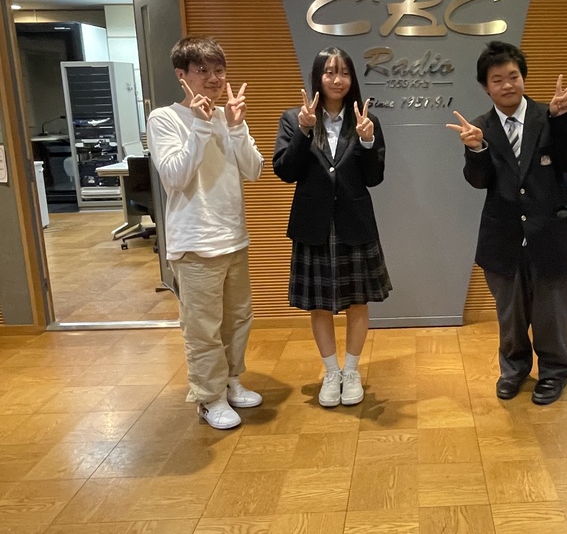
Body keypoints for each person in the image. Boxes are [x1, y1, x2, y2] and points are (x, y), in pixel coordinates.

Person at [447, 41, 567, 405]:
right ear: (486, 87)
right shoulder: (479, 128)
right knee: (510, 315)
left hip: (551, 235)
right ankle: (513, 370)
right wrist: (475, 150)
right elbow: (479, 181)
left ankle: (554, 372)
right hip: (502, 238)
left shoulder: (549, 115)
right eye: (497, 79)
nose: (507, 85)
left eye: (513, 76)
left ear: (523, 77)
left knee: (551, 314)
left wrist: (563, 119)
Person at [146, 36, 264, 430]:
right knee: (202, 328)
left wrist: (236, 127)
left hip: (233, 237)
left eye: (219, 70)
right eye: (202, 71)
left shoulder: (228, 117)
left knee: (237, 320)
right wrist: (200, 125)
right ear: (181, 75)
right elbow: (175, 177)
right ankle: (209, 397)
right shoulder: (164, 118)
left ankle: (230, 381)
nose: (213, 78)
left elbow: (254, 170)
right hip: (194, 243)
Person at [273, 46, 390, 408]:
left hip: (355, 223)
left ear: (352, 79)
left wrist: (367, 141)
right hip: (314, 225)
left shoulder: (366, 120)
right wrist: (304, 131)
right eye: (329, 72)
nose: (337, 79)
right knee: (320, 306)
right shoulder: (295, 118)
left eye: (344, 72)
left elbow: (374, 177)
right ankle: (331, 372)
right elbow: (285, 171)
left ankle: (351, 371)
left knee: (357, 302)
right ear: (318, 77)